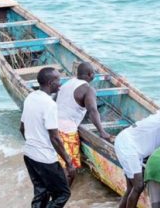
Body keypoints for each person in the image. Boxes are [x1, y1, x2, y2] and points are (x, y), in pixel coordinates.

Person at [20, 67, 75, 208]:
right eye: (58, 80)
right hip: (44, 158)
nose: (60, 84)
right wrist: (69, 162)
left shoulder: (30, 97)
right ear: (51, 82)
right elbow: (55, 138)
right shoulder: (49, 104)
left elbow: (22, 128)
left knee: (41, 193)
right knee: (63, 194)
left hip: (29, 154)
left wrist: (33, 144)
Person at [56, 62, 111, 178]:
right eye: (94, 73)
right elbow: (92, 111)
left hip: (53, 127)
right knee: (70, 168)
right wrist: (102, 132)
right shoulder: (88, 89)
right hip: (67, 131)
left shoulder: (68, 83)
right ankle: (63, 194)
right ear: (90, 74)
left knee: (57, 164)